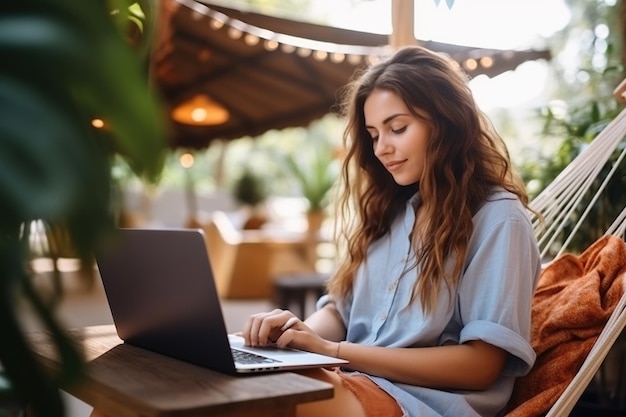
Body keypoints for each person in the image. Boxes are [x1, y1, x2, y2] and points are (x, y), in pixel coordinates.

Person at [241, 45, 541, 417]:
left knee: (268, 399)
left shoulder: (498, 220)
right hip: (351, 379)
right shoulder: (390, 213)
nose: (382, 148)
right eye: (373, 134)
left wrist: (333, 352)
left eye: (397, 128)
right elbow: (341, 312)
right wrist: (294, 335)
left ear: (447, 121)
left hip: (420, 402)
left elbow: (481, 366)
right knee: (230, 378)